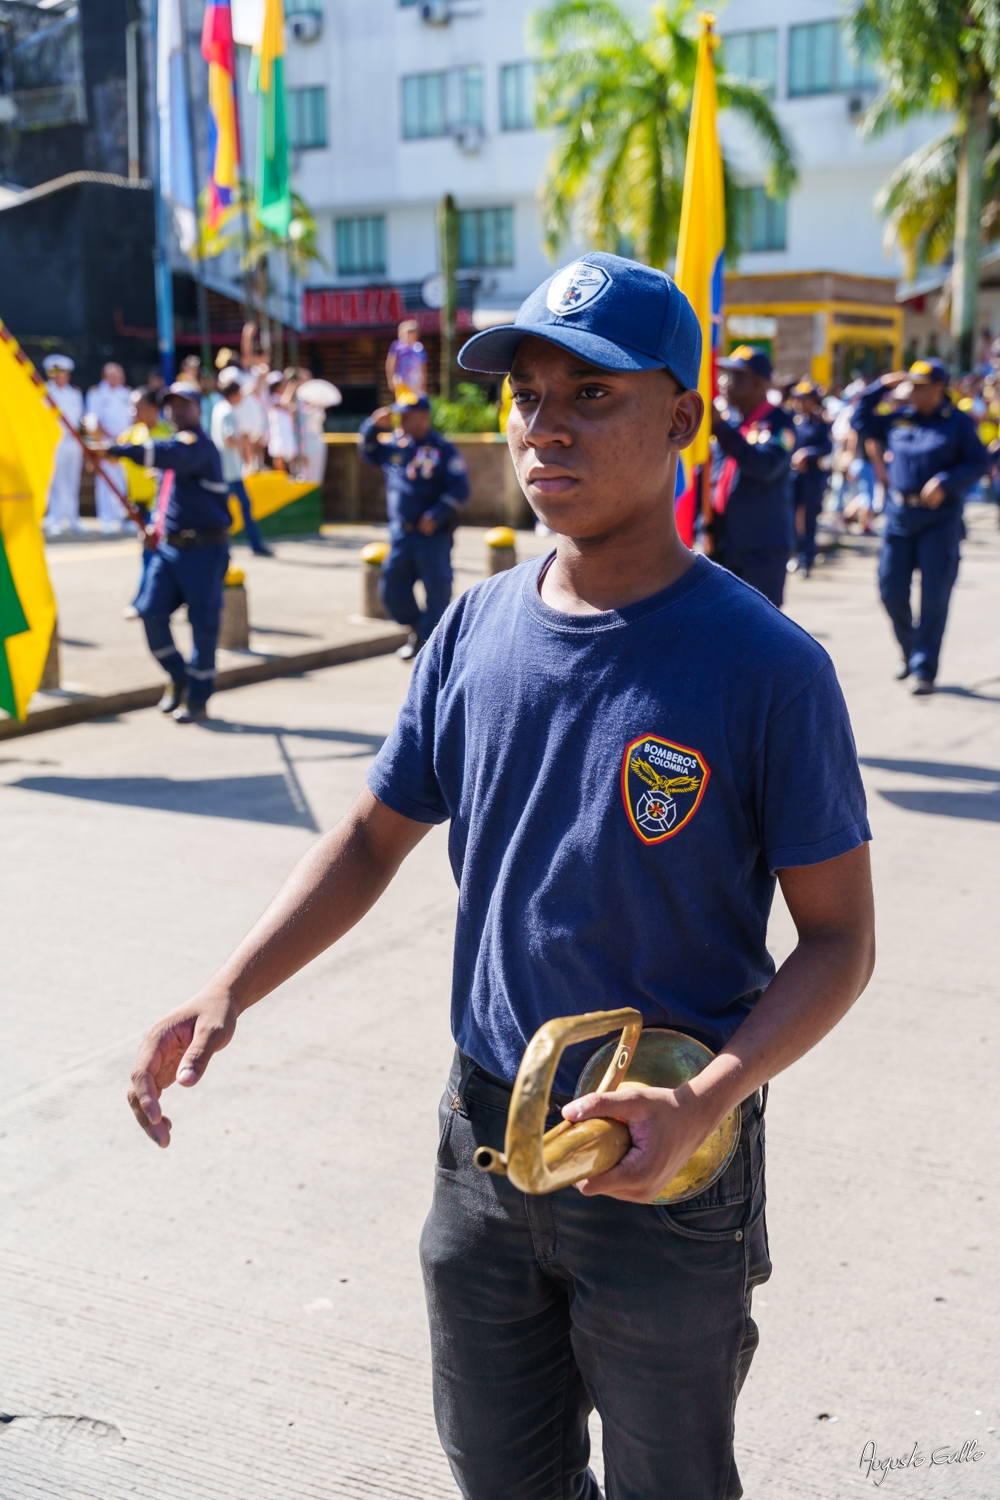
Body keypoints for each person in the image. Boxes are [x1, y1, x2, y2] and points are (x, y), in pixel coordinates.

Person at [127, 253, 875, 1500]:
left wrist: (711, 1099)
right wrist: (229, 988)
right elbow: (372, 836)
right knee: (499, 1477)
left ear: (682, 420)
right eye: (527, 394)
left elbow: (841, 941)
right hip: (479, 1144)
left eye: (591, 395)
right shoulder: (476, 626)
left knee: (668, 1484)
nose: (543, 427)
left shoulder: (766, 667)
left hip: (663, 1160)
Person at [852, 357, 989, 695]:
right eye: (910, 385)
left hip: (939, 520)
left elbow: (978, 462)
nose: (911, 391)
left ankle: (924, 669)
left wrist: (946, 480)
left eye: (920, 387)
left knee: (933, 597)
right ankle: (910, 650)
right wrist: (881, 385)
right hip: (900, 516)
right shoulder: (900, 417)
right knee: (890, 589)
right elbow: (860, 420)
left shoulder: (956, 423)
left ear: (939, 389)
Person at [106, 382, 231, 723]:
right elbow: (168, 496)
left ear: (198, 409)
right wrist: (154, 527)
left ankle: (199, 697)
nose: (176, 411)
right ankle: (179, 676)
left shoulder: (198, 446)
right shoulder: (177, 450)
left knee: (203, 625)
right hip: (169, 549)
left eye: (184, 405)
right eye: (170, 405)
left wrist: (117, 450)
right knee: (150, 613)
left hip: (205, 549)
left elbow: (171, 455)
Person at [357, 393, 469, 660]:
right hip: (401, 533)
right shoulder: (396, 445)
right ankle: (419, 629)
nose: (402, 420)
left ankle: (431, 647)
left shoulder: (442, 449)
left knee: (437, 591)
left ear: (424, 417)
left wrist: (436, 514)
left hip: (432, 534)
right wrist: (372, 425)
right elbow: (367, 453)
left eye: (408, 415)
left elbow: (460, 488)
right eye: (399, 415)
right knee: (392, 591)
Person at [709, 345, 796, 607]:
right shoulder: (733, 421)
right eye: (724, 374)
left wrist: (721, 429)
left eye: (736, 376)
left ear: (758, 383)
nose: (724, 382)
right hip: (726, 543)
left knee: (758, 633)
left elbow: (764, 467)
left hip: (761, 548)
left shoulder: (779, 422)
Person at [117, 386, 174, 618]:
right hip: (138, 504)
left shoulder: (168, 434)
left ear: (152, 409)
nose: (133, 411)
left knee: (151, 554)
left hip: (161, 506)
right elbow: (111, 456)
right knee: (152, 555)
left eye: (137, 406)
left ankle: (143, 601)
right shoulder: (132, 434)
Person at [210, 370, 274, 557]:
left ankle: (229, 547)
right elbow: (229, 439)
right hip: (230, 469)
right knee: (241, 506)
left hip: (224, 467)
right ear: (235, 394)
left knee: (226, 508)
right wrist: (249, 441)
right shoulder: (228, 411)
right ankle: (252, 544)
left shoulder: (218, 408)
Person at [788, 379, 832, 577]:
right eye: (797, 399)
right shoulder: (791, 421)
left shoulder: (821, 424)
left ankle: (807, 558)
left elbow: (827, 448)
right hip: (792, 475)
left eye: (803, 399)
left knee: (809, 518)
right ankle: (793, 554)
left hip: (813, 477)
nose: (799, 403)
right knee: (790, 516)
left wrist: (808, 453)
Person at [85, 363, 133, 531]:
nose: (118, 379)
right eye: (114, 376)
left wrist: (125, 438)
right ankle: (106, 518)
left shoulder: (126, 393)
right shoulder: (96, 393)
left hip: (125, 443)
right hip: (104, 443)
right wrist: (110, 436)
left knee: (124, 481)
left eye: (120, 375)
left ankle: (123, 517)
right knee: (105, 480)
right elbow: (92, 420)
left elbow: (132, 418)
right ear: (105, 377)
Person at [42, 354, 85, 536]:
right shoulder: (44, 392)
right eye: (55, 374)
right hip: (54, 441)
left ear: (68, 375)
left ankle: (73, 518)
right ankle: (56, 518)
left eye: (62, 374)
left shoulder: (75, 393)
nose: (58, 377)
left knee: (73, 481)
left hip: (72, 442)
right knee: (56, 481)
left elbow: (79, 419)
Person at [386, 319, 427, 404]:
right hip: (401, 381)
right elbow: (391, 363)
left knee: (416, 405)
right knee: (403, 405)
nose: (409, 335)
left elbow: (423, 366)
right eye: (407, 332)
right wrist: (390, 379)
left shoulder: (419, 348)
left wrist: (423, 383)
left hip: (416, 382)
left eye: (412, 332)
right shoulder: (397, 346)